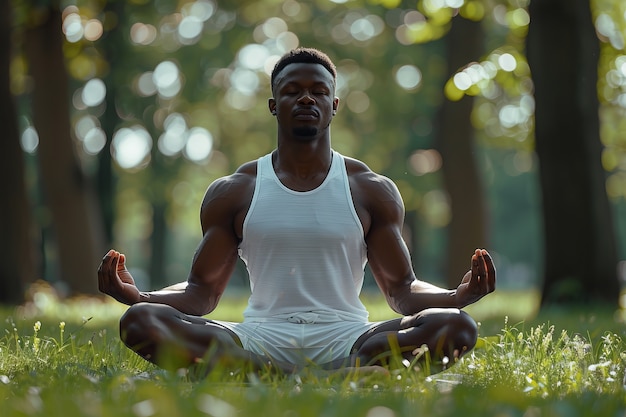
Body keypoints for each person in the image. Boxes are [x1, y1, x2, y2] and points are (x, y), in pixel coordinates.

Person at [98, 47, 496, 376]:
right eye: (293, 91)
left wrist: (457, 296)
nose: (307, 98)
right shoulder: (235, 191)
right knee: (141, 320)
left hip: (347, 335)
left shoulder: (370, 189)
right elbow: (201, 294)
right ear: (274, 105)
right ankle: (301, 376)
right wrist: (140, 295)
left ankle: (270, 376)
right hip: (260, 337)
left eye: (318, 91)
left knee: (456, 326)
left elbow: (403, 290)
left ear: (334, 104)